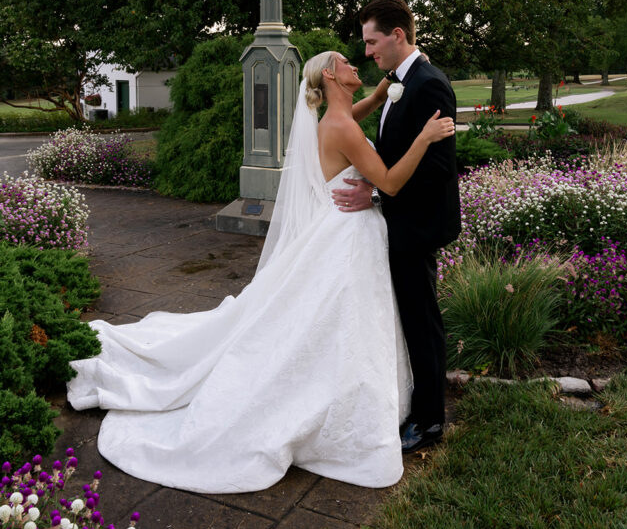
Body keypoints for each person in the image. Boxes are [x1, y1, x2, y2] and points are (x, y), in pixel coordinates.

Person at [67, 50, 455, 494]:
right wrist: (424, 138)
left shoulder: (335, 118)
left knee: (332, 319)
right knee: (343, 321)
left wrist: (383, 91)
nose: (355, 64)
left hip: (342, 229)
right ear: (331, 75)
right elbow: (389, 182)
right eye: (346, 62)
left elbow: (355, 113)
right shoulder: (342, 127)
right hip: (350, 236)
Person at [332, 0, 461, 454]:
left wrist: (375, 193)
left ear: (397, 35)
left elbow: (437, 169)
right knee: (412, 317)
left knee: (422, 322)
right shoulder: (401, 81)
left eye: (372, 42)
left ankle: (430, 422)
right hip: (402, 220)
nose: (367, 52)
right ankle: (419, 406)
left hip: (417, 224)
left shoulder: (428, 85)